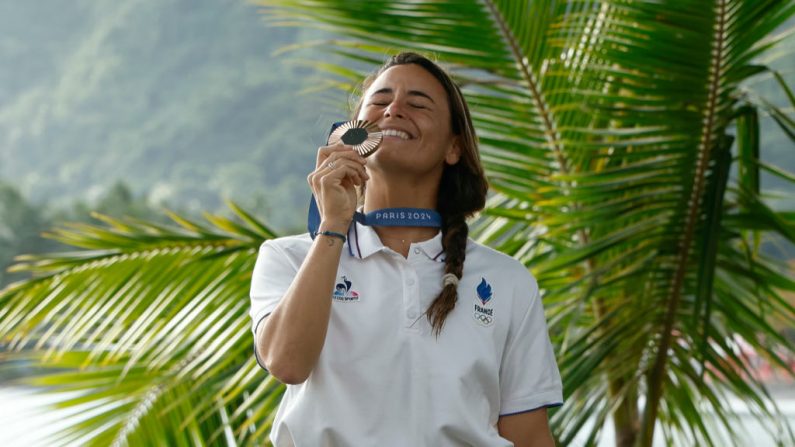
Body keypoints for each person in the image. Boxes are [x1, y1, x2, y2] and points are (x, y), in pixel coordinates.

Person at [250, 52, 563, 447]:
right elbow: (287, 363)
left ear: (454, 148)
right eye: (379, 102)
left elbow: (530, 437)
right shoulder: (287, 258)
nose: (394, 109)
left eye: (417, 104)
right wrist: (332, 227)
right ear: (352, 135)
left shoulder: (507, 281)